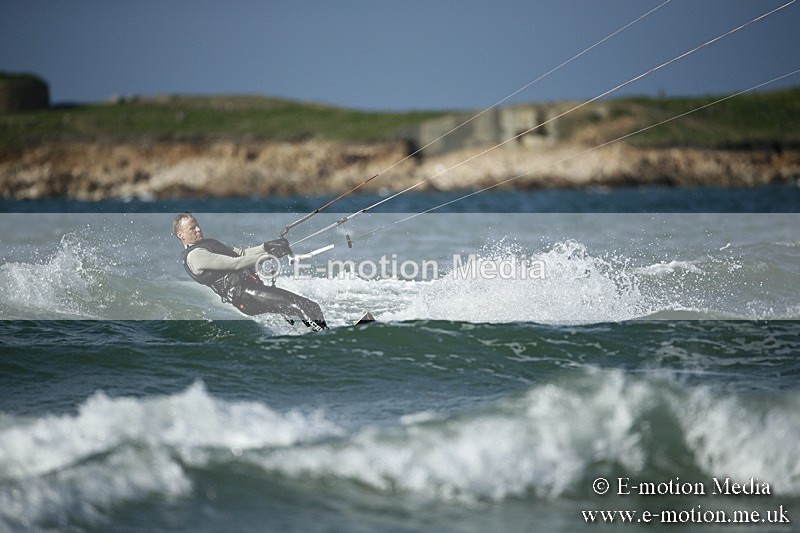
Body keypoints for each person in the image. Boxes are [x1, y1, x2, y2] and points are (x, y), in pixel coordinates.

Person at [172, 212, 328, 331]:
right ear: (181, 235)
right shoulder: (195, 256)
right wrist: (270, 256)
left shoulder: (209, 243)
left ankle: (318, 337)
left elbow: (241, 253)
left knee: (311, 307)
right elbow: (236, 264)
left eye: (197, 225)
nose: (198, 230)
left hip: (252, 291)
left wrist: (265, 247)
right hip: (245, 296)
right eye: (193, 228)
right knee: (302, 306)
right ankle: (325, 341)